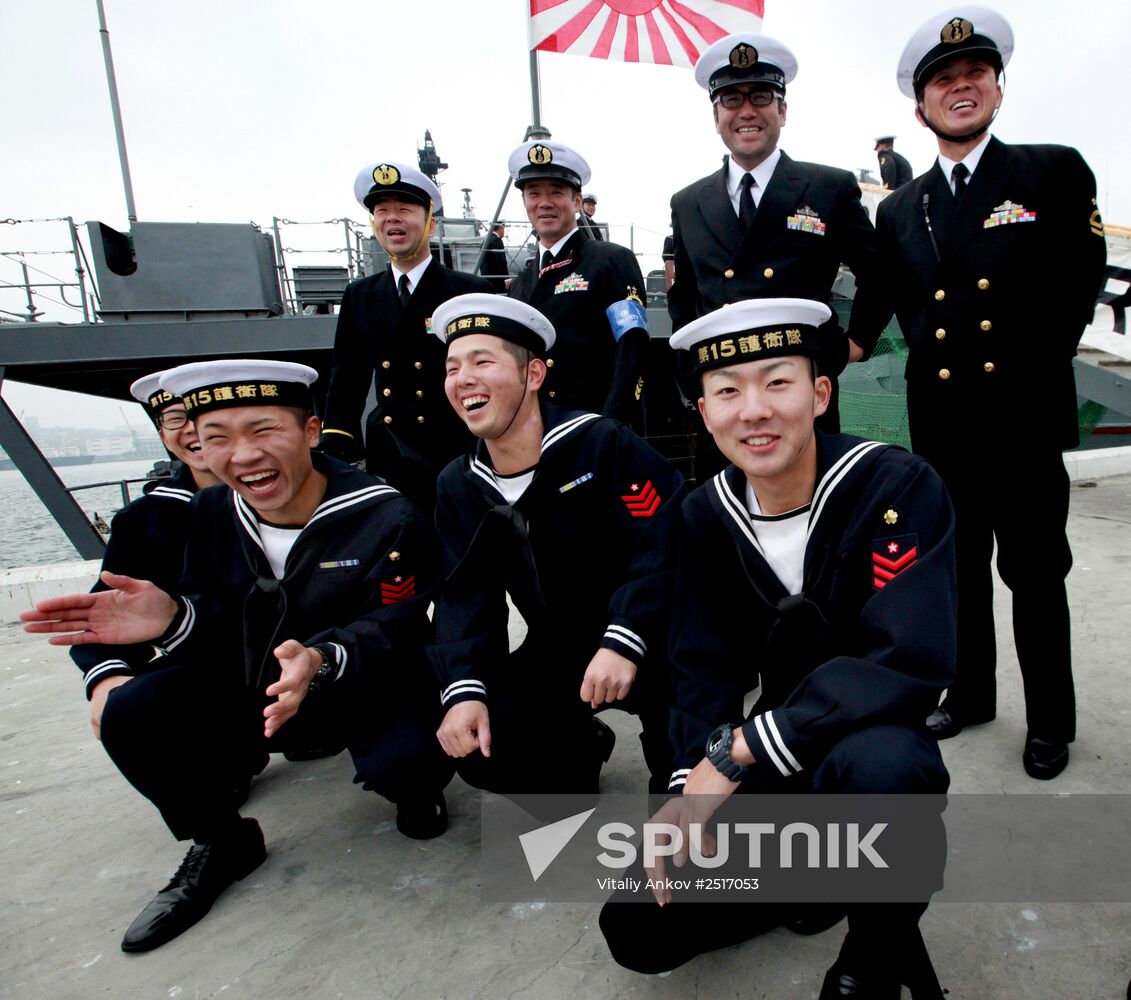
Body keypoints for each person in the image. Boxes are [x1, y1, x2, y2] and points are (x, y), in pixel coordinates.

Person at [23, 360, 452, 953]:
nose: (243, 455)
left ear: (310, 431)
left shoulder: (385, 514)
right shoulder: (211, 514)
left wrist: (321, 658)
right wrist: (174, 621)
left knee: (409, 760)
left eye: (263, 430)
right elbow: (218, 620)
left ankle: (415, 787)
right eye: (217, 438)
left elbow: (397, 625)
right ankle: (223, 840)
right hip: (259, 691)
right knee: (132, 709)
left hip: (355, 683)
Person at [598, 298, 956, 999]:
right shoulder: (705, 513)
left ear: (820, 394)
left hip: (862, 739)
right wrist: (689, 780)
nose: (754, 410)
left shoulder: (894, 485)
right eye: (728, 391)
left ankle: (870, 954)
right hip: (773, 751)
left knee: (889, 774)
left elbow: (909, 656)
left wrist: (739, 751)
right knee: (638, 929)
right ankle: (816, 883)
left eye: (777, 382)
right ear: (704, 413)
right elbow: (700, 662)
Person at [866, 7, 1107, 778]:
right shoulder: (899, 207)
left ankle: (1050, 721)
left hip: (1022, 417)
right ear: (921, 108)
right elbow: (885, 297)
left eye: (974, 73)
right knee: (957, 572)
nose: (960, 86)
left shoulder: (1049, 170)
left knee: (1034, 573)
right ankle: (969, 695)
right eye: (943, 80)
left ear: (997, 89)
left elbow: (1080, 280)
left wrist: (1029, 365)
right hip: (941, 422)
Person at [428, 293, 684, 794]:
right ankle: (581, 745)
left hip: (655, 635)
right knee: (485, 746)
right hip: (561, 644)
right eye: (452, 368)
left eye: (482, 362)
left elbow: (668, 543)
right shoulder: (460, 485)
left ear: (534, 374)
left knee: (689, 784)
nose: (463, 379)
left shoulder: (602, 445)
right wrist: (463, 689)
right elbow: (463, 594)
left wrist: (624, 637)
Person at [667, 33, 884, 437]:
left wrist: (855, 343)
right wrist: (693, 373)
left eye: (761, 97)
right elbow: (684, 298)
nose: (747, 111)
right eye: (732, 99)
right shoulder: (688, 202)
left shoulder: (828, 188)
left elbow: (879, 271)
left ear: (782, 111)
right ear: (716, 117)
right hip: (725, 391)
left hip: (802, 387)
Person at [320, 160, 494, 510]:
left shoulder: (468, 291)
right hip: (391, 452)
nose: (392, 219)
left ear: (430, 223)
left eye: (404, 210)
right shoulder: (361, 295)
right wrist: (337, 439)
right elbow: (348, 375)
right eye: (382, 211)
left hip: (456, 446)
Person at [507, 140, 649, 426]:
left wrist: (611, 426)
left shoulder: (610, 260)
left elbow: (632, 347)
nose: (544, 203)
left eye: (556, 192)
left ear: (576, 201)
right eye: (534, 193)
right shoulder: (521, 284)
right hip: (536, 429)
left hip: (594, 425)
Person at [481, 220, 510, 292]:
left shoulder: (486, 240)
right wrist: (506, 278)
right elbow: (501, 261)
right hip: (497, 280)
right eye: (503, 228)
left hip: (487, 278)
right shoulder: (496, 240)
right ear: (500, 228)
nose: (504, 231)